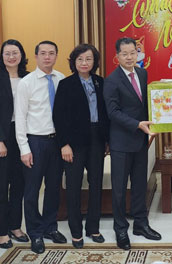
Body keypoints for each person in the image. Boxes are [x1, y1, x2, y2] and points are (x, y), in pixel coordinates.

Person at [104, 37, 161, 250]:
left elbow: (145, 104)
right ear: (117, 56)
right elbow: (113, 112)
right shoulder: (111, 80)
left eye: (133, 53)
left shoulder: (142, 73)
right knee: (119, 188)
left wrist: (156, 124)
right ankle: (120, 228)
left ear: (137, 54)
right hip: (121, 142)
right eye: (125, 54)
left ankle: (140, 224)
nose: (129, 57)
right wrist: (138, 124)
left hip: (140, 141)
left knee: (139, 185)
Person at [54, 44, 109, 248]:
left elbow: (105, 114)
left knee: (96, 185)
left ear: (94, 62)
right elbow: (58, 117)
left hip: (96, 139)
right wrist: (64, 144)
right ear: (74, 62)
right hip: (74, 143)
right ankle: (76, 232)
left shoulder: (99, 82)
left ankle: (93, 228)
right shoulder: (66, 84)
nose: (84, 63)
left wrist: (106, 141)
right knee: (74, 187)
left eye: (88, 59)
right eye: (80, 59)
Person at [15, 40, 66, 254]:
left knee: (54, 188)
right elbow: (20, 117)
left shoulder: (61, 79)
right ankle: (35, 233)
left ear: (56, 56)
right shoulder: (26, 83)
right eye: (43, 53)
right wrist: (24, 148)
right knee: (32, 190)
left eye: (51, 53)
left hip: (57, 141)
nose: (47, 57)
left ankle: (50, 227)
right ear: (36, 56)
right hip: (35, 141)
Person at [0, 39, 30, 248]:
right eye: (7, 54)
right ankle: (1, 230)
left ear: (21, 55)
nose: (11, 57)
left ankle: (15, 225)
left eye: (15, 53)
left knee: (19, 182)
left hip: (23, 135)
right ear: (1, 57)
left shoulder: (28, 78)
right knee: (2, 185)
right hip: (3, 135)